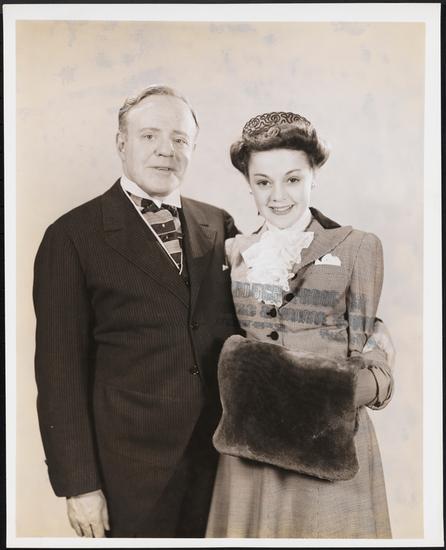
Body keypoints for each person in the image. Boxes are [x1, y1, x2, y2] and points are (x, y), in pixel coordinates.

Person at [33, 85, 240, 537]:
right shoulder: (71, 236)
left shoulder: (219, 223)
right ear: (121, 142)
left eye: (180, 139)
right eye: (150, 136)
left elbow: (264, 301)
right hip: (127, 476)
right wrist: (79, 485)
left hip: (220, 466)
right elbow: (59, 374)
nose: (167, 150)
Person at [206, 112, 394, 538]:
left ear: (314, 176)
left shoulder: (357, 247)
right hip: (250, 452)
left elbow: (367, 351)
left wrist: (368, 378)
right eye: (263, 182)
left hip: (327, 445)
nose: (278, 196)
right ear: (249, 184)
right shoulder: (233, 251)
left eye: (292, 179)